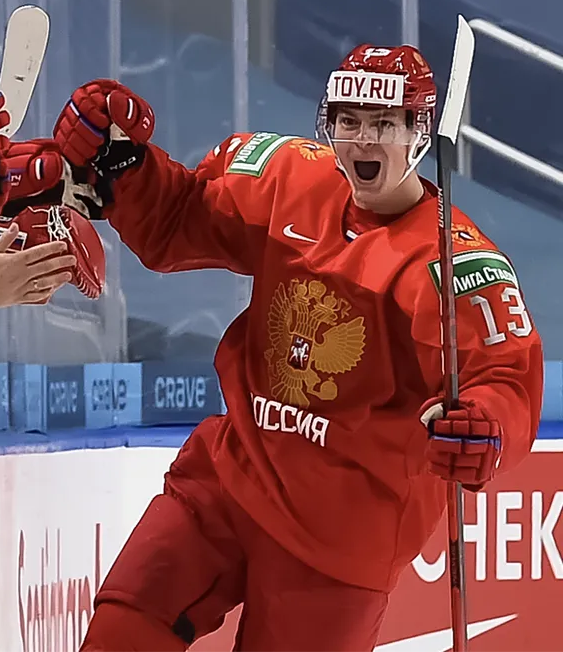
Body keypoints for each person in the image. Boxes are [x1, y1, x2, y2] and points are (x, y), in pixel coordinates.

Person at [57, 45, 544, 652]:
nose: (363, 140)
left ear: (419, 133)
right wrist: (127, 165)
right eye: (349, 121)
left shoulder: (451, 260)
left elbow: (503, 376)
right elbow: (179, 218)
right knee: (122, 628)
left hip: (341, 538)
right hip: (230, 479)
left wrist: (483, 426)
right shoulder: (286, 176)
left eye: (384, 124)